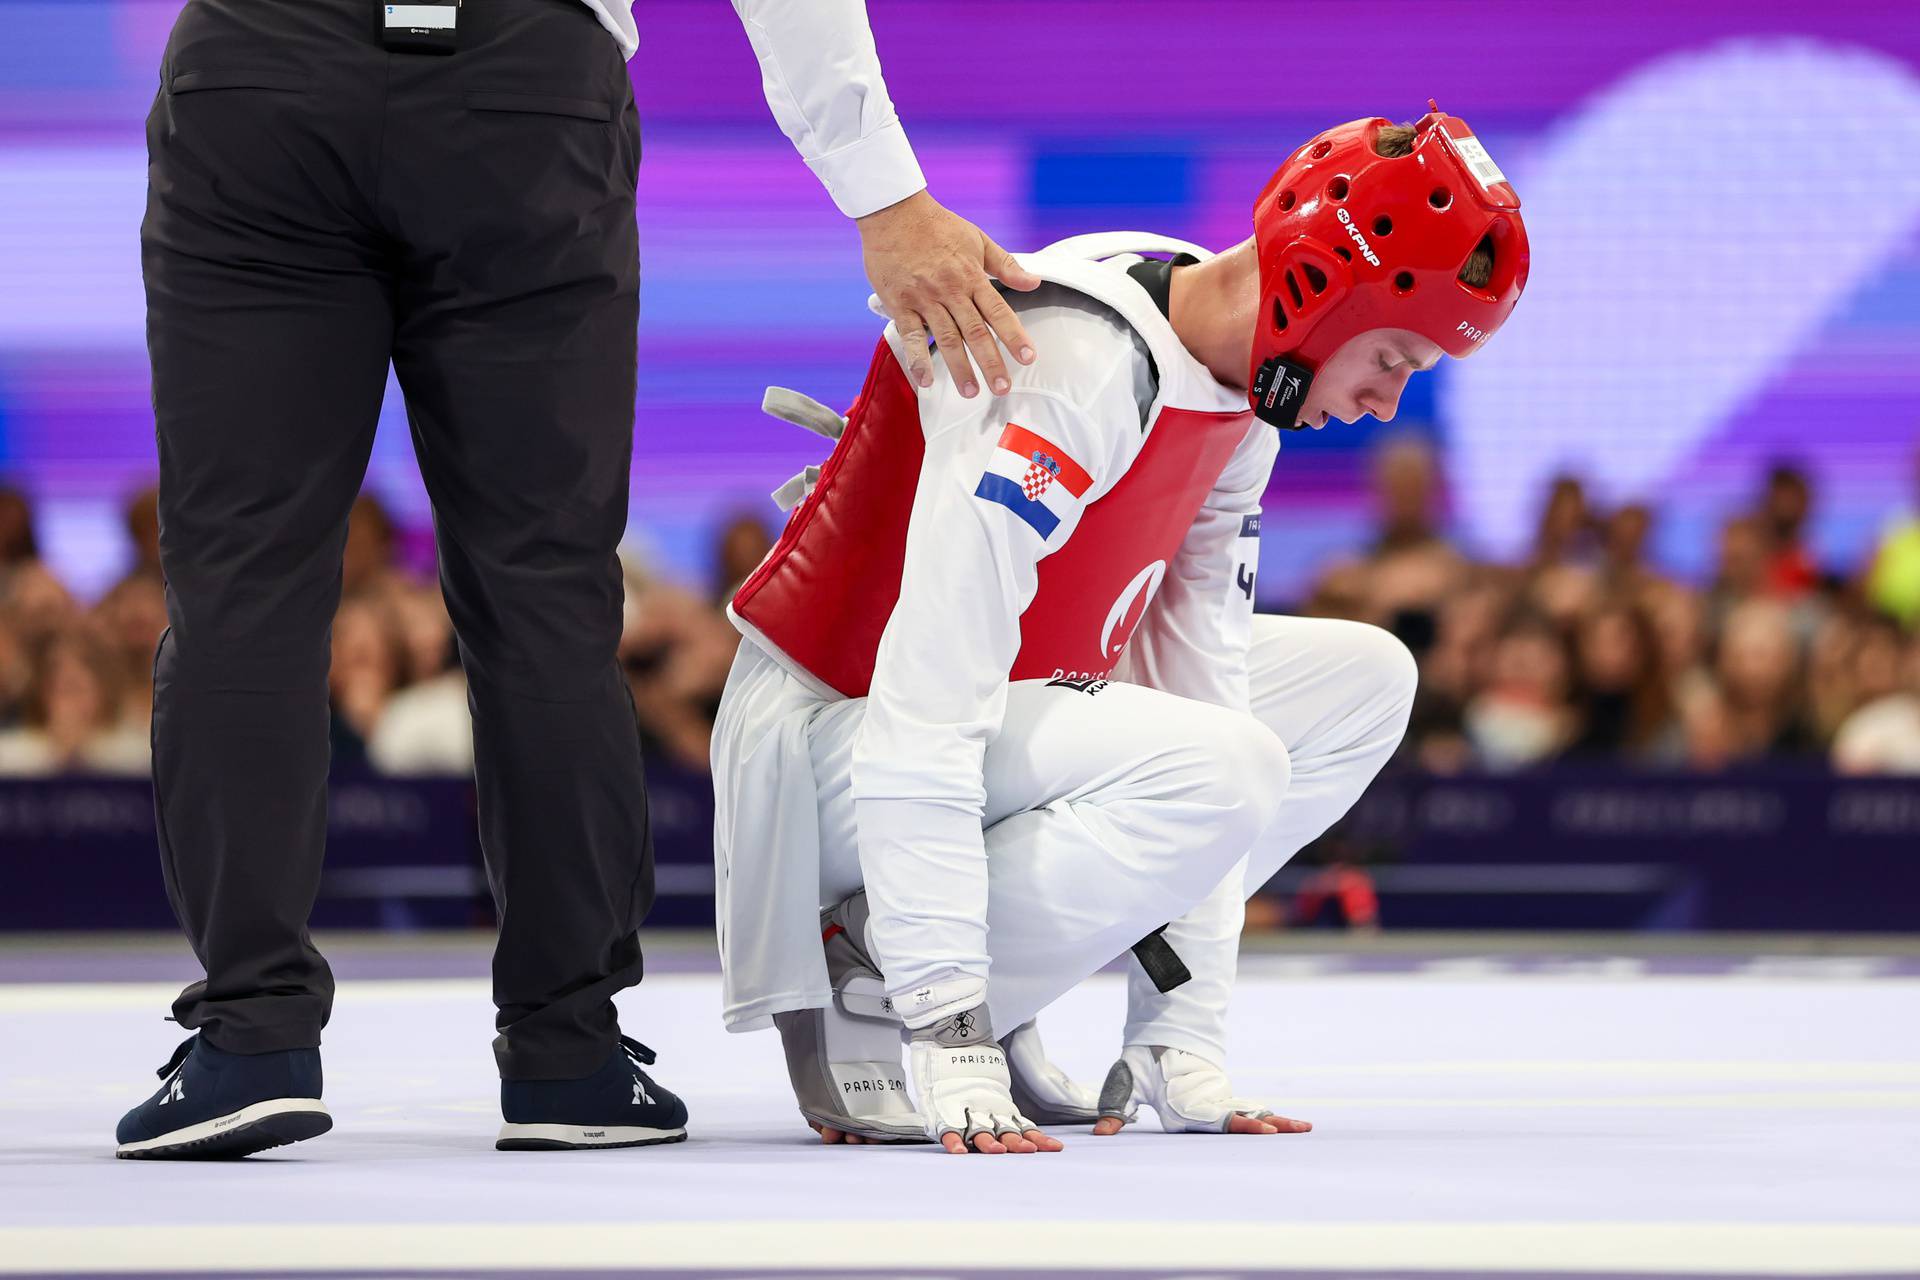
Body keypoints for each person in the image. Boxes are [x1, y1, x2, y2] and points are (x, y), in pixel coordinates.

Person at [120, 0, 1034, 1160]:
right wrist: (884, 194)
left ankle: (249, 1038)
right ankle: (570, 1054)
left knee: (244, 583)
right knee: (545, 591)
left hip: (264, 80)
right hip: (526, 89)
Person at [712, 106, 1528, 1153]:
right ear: (1323, 293)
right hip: (834, 736)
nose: (1382, 405)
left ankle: (969, 967)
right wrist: (951, 1019)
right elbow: (929, 692)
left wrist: (1181, 1034)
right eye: (1396, 360)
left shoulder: (1238, 385)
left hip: (993, 715)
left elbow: (1205, 683)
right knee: (1221, 763)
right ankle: (872, 971)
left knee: (1360, 682)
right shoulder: (1071, 364)